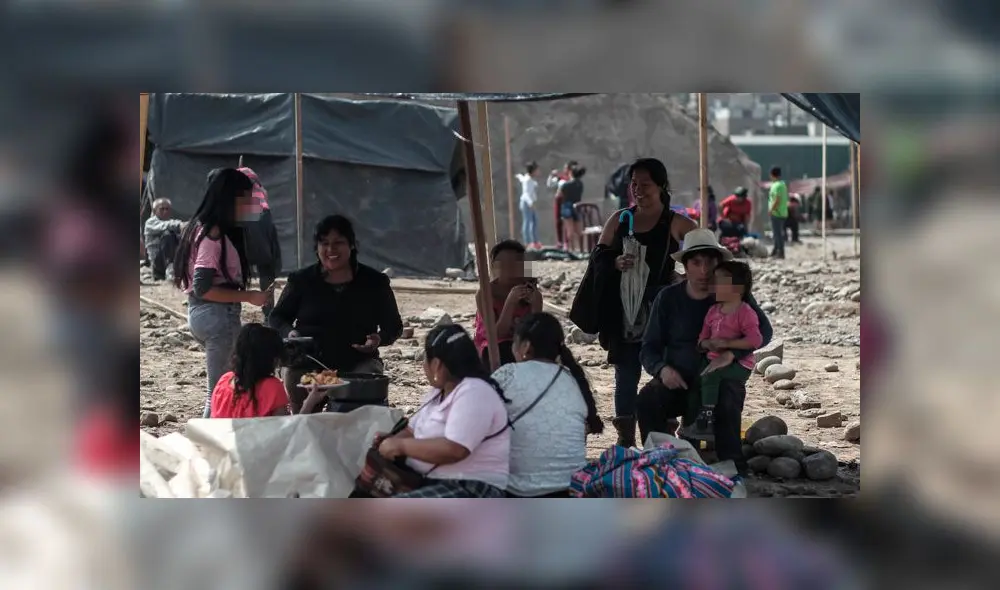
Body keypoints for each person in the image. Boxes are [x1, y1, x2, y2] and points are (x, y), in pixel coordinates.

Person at [571, 157, 697, 448]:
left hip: (662, 311)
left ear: (662, 186)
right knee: (626, 373)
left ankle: (664, 435)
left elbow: (704, 255)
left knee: (664, 371)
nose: (638, 190)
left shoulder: (676, 223)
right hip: (624, 311)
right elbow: (598, 257)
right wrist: (614, 261)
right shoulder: (620, 219)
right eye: (634, 184)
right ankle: (626, 437)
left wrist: (682, 276)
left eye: (646, 184)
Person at [635, 229, 772, 474]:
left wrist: (733, 354)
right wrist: (662, 370)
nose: (704, 271)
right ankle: (658, 463)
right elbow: (649, 348)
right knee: (648, 398)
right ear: (685, 267)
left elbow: (764, 332)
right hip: (680, 381)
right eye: (697, 263)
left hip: (718, 384)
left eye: (710, 262)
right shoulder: (667, 299)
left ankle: (733, 463)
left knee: (730, 392)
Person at [269, 214, 403, 413]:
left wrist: (378, 339)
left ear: (352, 245)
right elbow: (277, 317)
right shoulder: (301, 281)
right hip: (308, 365)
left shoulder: (375, 282)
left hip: (356, 366)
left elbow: (394, 327)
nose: (331, 250)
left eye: (338, 243)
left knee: (355, 413)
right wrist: (290, 333)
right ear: (317, 248)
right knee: (304, 411)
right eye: (324, 243)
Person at [173, 168, 273, 418]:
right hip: (218, 317)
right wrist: (250, 296)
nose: (250, 205)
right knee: (218, 393)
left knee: (218, 391)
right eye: (246, 199)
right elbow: (203, 287)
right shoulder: (213, 235)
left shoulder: (198, 227)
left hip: (201, 314)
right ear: (231, 199)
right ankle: (206, 451)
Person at [375, 324, 511, 498]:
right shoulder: (438, 393)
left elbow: (455, 449)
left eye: (426, 360)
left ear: (437, 365)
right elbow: (411, 430)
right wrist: (390, 441)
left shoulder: (474, 391)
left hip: (471, 487)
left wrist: (401, 446)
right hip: (433, 481)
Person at [491, 312, 604, 498]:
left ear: (525, 347)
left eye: (514, 342)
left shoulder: (507, 374)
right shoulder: (573, 380)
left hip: (520, 493)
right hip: (572, 490)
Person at [686, 260, 763, 438]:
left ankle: (708, 420)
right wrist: (707, 344)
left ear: (738, 288)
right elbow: (702, 339)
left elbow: (755, 339)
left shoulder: (745, 312)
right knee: (695, 380)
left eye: (719, 282)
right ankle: (693, 426)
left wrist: (728, 345)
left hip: (739, 364)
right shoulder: (713, 311)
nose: (713, 286)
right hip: (712, 356)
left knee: (711, 375)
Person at [209, 323, 328, 418]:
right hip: (261, 449)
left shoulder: (224, 381)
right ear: (272, 358)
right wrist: (309, 402)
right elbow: (288, 433)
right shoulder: (272, 387)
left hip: (224, 447)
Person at [473, 240, 543, 369]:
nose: (512, 272)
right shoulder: (485, 294)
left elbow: (535, 333)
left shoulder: (533, 294)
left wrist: (534, 305)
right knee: (504, 352)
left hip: (523, 343)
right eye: (507, 266)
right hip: (494, 345)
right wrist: (510, 302)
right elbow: (495, 335)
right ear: (495, 268)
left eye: (517, 266)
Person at [237, 166, 283, 321]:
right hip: (263, 221)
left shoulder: (239, 189)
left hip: (249, 220)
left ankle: (235, 307)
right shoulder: (261, 190)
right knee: (266, 270)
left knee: (239, 267)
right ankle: (269, 311)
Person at [143, 198, 184, 280]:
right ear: (154, 211)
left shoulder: (173, 221)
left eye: (167, 209)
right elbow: (166, 225)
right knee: (168, 234)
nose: (165, 211)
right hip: (158, 262)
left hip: (174, 260)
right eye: (162, 209)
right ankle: (170, 271)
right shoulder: (150, 223)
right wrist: (181, 225)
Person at [547, 160, 577, 249]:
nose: (564, 169)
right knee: (558, 221)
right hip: (559, 200)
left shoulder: (573, 180)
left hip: (567, 201)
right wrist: (551, 175)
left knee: (568, 222)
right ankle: (559, 241)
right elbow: (550, 184)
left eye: (566, 168)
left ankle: (567, 243)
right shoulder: (561, 178)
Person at [556, 166, 587, 252]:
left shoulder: (565, 184)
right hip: (577, 206)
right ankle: (581, 249)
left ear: (571, 173)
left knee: (570, 231)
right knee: (579, 231)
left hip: (567, 206)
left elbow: (558, 195)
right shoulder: (580, 184)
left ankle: (571, 250)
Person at [516, 162, 541, 249]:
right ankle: (527, 242)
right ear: (533, 171)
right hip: (527, 203)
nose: (539, 171)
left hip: (530, 203)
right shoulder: (528, 180)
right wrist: (530, 203)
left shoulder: (529, 179)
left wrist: (519, 176)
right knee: (527, 222)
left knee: (534, 222)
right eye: (537, 170)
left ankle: (535, 241)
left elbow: (523, 179)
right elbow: (526, 193)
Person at [768, 166, 789, 259]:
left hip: (777, 213)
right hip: (783, 212)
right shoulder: (783, 184)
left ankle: (780, 252)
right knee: (777, 233)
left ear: (772, 175)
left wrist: (771, 209)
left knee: (777, 234)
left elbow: (777, 199)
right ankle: (775, 250)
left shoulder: (776, 186)